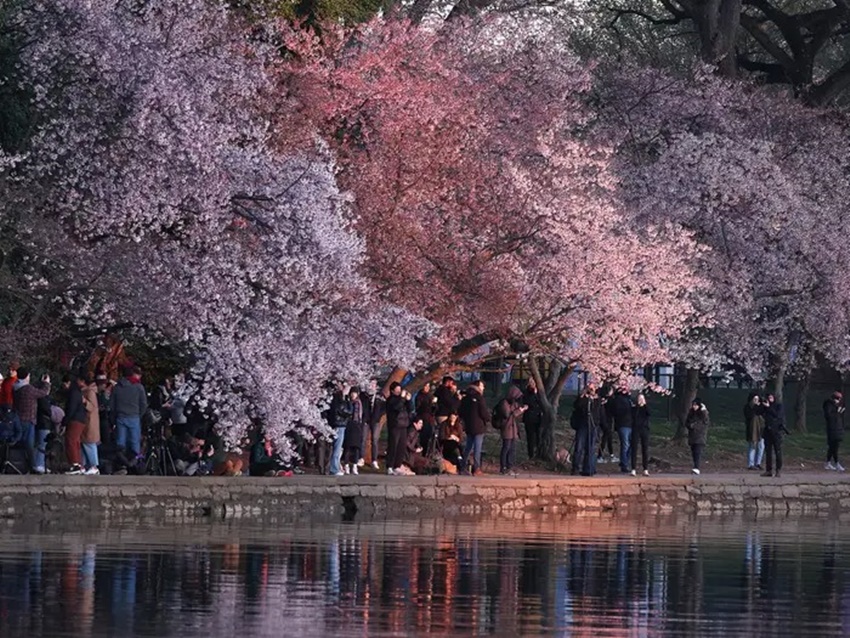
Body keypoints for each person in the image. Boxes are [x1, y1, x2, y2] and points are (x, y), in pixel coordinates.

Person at [12, 367, 51, 473]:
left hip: (19, 419)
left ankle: (21, 465)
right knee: (29, 444)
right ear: (26, 376)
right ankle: (33, 465)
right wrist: (46, 383)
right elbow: (43, 393)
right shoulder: (28, 389)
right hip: (29, 420)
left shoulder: (15, 387)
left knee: (21, 443)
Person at [110, 366, 148, 463]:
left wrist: (113, 419)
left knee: (120, 443)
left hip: (120, 417)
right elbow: (143, 404)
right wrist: (139, 415)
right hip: (134, 417)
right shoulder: (139, 387)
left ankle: (121, 463)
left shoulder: (117, 387)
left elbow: (112, 405)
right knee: (135, 442)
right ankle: (136, 464)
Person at [459, 380, 490, 475]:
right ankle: (477, 468)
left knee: (468, 447)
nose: (483, 388)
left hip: (469, 426)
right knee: (477, 448)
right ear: (477, 387)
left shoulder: (465, 398)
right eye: (482, 386)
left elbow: (460, 411)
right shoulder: (479, 398)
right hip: (479, 426)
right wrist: (488, 418)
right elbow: (484, 413)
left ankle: (463, 466)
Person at [571, 383, 602, 476]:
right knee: (579, 447)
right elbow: (577, 406)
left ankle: (588, 469)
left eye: (592, 389)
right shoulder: (582, 399)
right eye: (589, 388)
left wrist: (593, 398)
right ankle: (575, 468)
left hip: (593, 425)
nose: (590, 390)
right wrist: (583, 396)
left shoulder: (597, 400)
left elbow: (597, 410)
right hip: (582, 425)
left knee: (590, 448)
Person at [495, 385, 526, 476]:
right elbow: (508, 415)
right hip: (507, 428)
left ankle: (510, 466)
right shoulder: (504, 403)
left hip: (513, 429)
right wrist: (519, 410)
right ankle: (503, 467)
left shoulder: (513, 403)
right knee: (506, 448)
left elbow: (516, 415)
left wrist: (521, 409)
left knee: (512, 449)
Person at [64, 374, 89, 474]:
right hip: (81, 419)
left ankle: (75, 464)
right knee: (76, 441)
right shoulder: (78, 392)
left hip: (75, 419)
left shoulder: (73, 393)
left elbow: (71, 408)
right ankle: (78, 463)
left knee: (71, 441)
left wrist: (65, 421)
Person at [385, 382, 411, 475]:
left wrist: (408, 400)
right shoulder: (391, 400)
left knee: (401, 446)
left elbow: (409, 409)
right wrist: (402, 399)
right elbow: (397, 407)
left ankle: (397, 465)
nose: (399, 391)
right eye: (397, 390)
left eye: (400, 389)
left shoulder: (402, 400)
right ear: (393, 390)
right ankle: (390, 465)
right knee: (393, 445)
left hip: (403, 425)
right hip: (395, 425)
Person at [761, 393, 789, 478]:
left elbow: (777, 415)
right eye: (769, 397)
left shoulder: (778, 406)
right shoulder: (766, 407)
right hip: (768, 431)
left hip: (776, 432)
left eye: (771, 397)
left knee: (778, 451)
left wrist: (769, 407)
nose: (770, 399)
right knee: (768, 452)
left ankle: (778, 470)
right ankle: (768, 470)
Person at [326, 382, 351, 477]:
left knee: (338, 448)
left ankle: (335, 467)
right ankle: (334, 468)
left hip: (341, 424)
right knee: (336, 447)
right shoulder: (338, 399)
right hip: (338, 424)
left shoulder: (342, 399)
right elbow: (345, 411)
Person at [360, 380, 386, 470]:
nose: (372, 386)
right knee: (363, 439)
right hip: (366, 419)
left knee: (375, 440)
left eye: (373, 384)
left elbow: (384, 407)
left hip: (375, 420)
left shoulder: (379, 396)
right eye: (370, 384)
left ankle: (374, 460)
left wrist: (378, 416)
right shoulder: (364, 395)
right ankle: (361, 457)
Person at [608, 386, 634, 473]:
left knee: (630, 445)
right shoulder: (619, 400)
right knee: (625, 444)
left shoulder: (629, 400)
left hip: (630, 424)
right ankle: (624, 463)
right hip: (623, 424)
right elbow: (616, 411)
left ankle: (626, 461)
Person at [81, 373, 101, 475]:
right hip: (89, 422)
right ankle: (84, 465)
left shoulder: (89, 392)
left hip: (90, 422)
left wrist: (83, 401)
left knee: (89, 443)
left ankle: (94, 465)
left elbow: (91, 407)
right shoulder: (89, 391)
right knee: (85, 443)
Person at [685, 398, 710, 475]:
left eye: (696, 405)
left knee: (697, 452)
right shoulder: (691, 413)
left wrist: (704, 410)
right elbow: (687, 422)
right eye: (693, 405)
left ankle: (697, 467)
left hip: (700, 436)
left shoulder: (703, 414)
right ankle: (695, 466)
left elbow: (705, 422)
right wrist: (690, 426)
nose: (694, 406)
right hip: (692, 436)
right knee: (693, 452)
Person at [343, 388, 364, 475]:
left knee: (356, 447)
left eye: (355, 393)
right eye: (352, 393)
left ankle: (355, 466)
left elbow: (360, 414)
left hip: (357, 425)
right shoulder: (347, 402)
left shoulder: (359, 403)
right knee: (347, 447)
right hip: (349, 425)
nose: (353, 395)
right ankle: (346, 465)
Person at [824, 391, 845, 471]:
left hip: (837, 429)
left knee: (833, 447)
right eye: (838, 398)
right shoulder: (828, 404)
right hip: (832, 429)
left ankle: (829, 462)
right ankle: (836, 463)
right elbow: (829, 416)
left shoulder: (835, 405)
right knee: (834, 447)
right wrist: (837, 411)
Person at [631, 393, 651, 476]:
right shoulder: (634, 408)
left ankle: (645, 468)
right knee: (634, 449)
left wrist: (644, 405)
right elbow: (634, 416)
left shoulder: (646, 408)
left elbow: (649, 413)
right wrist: (638, 406)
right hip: (636, 429)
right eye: (639, 398)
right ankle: (633, 468)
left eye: (642, 398)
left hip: (644, 429)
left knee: (645, 449)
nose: (641, 400)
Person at [523, 379, 543, 460]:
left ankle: (538, 453)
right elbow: (529, 402)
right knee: (531, 437)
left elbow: (541, 402)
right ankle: (531, 454)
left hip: (538, 418)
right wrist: (534, 394)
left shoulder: (539, 392)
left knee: (538, 436)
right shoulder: (527, 392)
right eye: (531, 383)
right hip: (530, 418)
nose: (533, 384)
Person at [744, 393, 765, 470]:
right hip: (752, 430)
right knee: (752, 446)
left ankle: (758, 463)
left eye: (757, 399)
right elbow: (750, 415)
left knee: (761, 446)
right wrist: (756, 407)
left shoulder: (760, 407)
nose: (756, 401)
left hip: (761, 430)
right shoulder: (748, 407)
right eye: (754, 399)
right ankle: (751, 464)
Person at [414, 381, 437, 452]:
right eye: (426, 386)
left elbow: (434, 409)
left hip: (430, 418)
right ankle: (422, 450)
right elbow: (418, 408)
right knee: (423, 436)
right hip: (423, 418)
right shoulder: (419, 396)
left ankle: (427, 451)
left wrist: (434, 404)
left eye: (428, 386)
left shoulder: (430, 395)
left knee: (429, 435)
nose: (427, 388)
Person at [597, 386, 616, 464]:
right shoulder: (610, 400)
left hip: (604, 420)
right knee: (606, 438)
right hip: (606, 421)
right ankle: (600, 455)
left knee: (608, 438)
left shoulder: (603, 400)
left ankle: (610, 454)